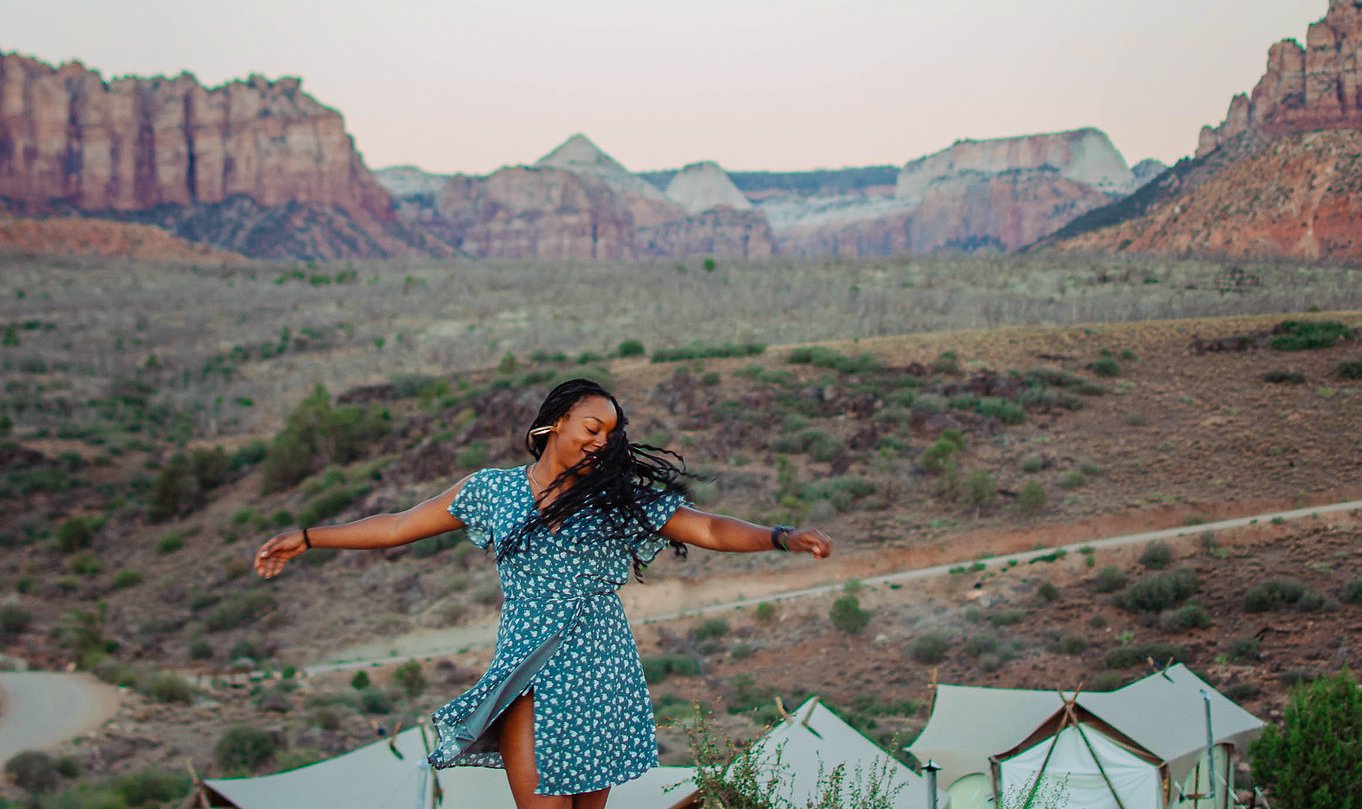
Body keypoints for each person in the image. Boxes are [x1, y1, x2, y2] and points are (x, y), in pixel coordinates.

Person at [255, 378, 833, 809]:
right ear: (555, 422)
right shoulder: (493, 491)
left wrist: (780, 538)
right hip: (528, 666)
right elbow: (396, 526)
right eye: (591, 428)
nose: (602, 443)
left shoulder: (616, 498)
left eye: (611, 435)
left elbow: (706, 528)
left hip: (601, 666)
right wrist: (309, 537)